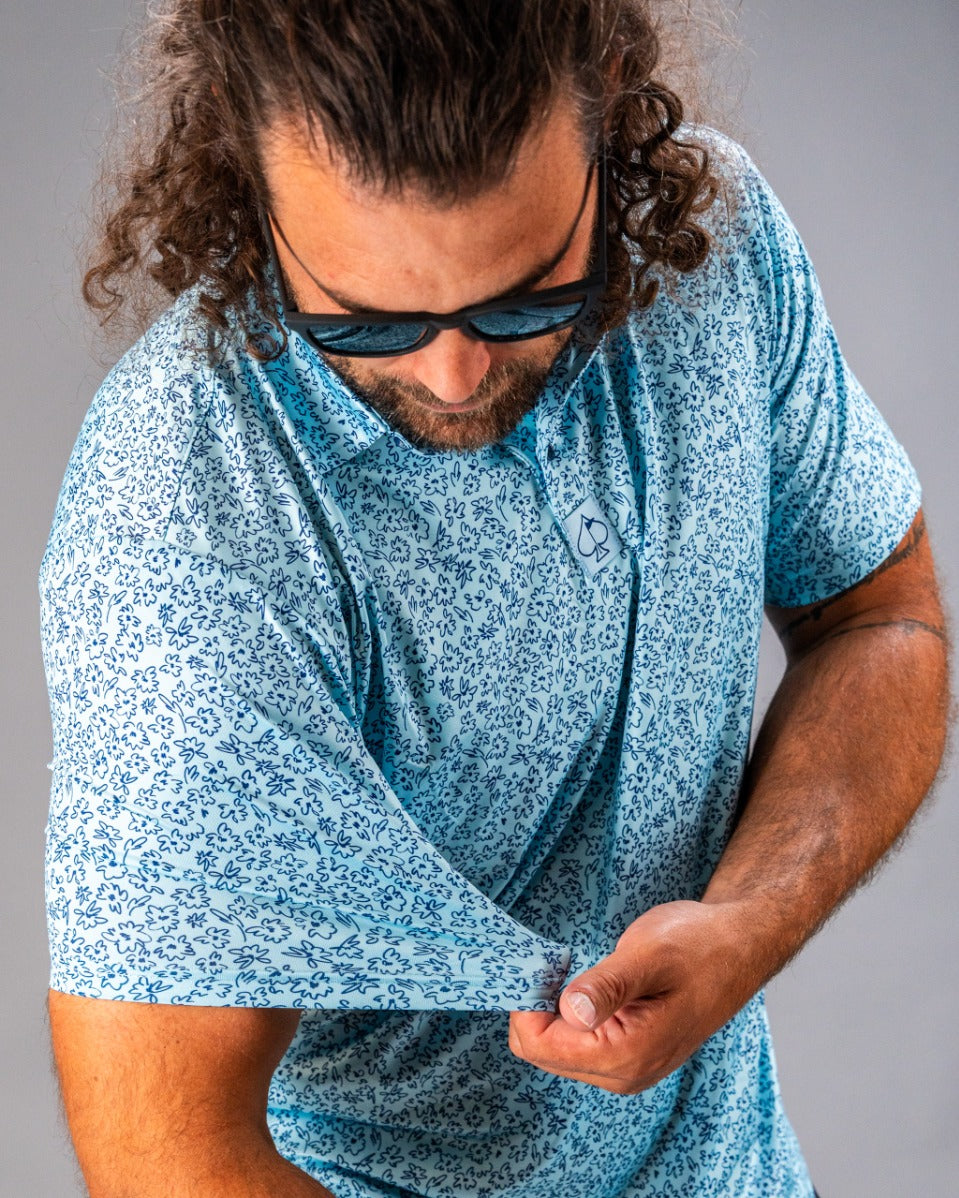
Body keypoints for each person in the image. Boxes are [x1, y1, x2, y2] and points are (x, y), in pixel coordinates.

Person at [40, 2, 950, 1197]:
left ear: (612, 99)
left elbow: (879, 616)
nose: (452, 373)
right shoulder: (182, 517)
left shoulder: (714, 246)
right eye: (365, 321)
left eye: (526, 298)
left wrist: (749, 923)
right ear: (240, 165)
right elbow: (166, 1154)